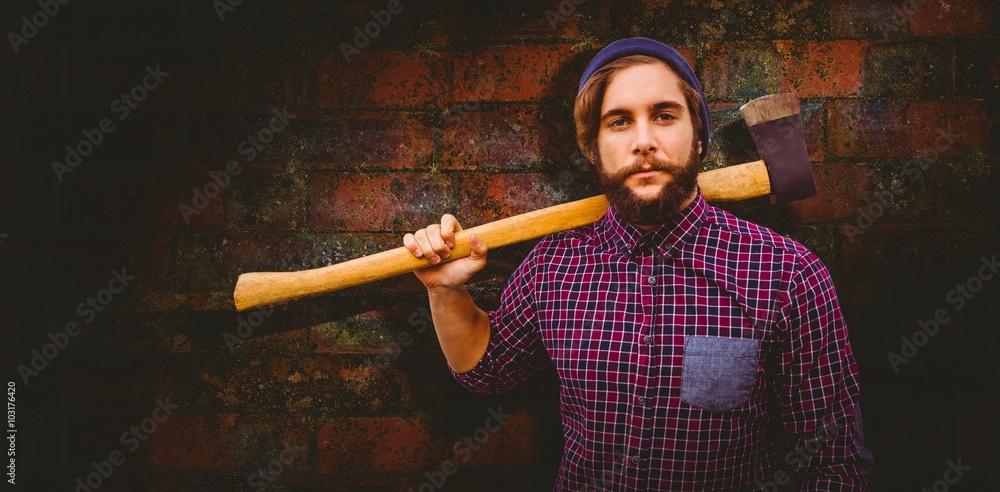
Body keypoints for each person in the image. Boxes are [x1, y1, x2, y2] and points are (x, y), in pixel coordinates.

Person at [402, 37, 873, 490]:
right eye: (619, 121)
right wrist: (444, 291)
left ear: (700, 138)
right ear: (593, 147)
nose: (644, 141)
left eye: (665, 116)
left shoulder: (789, 275)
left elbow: (834, 462)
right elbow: (488, 371)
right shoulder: (552, 265)